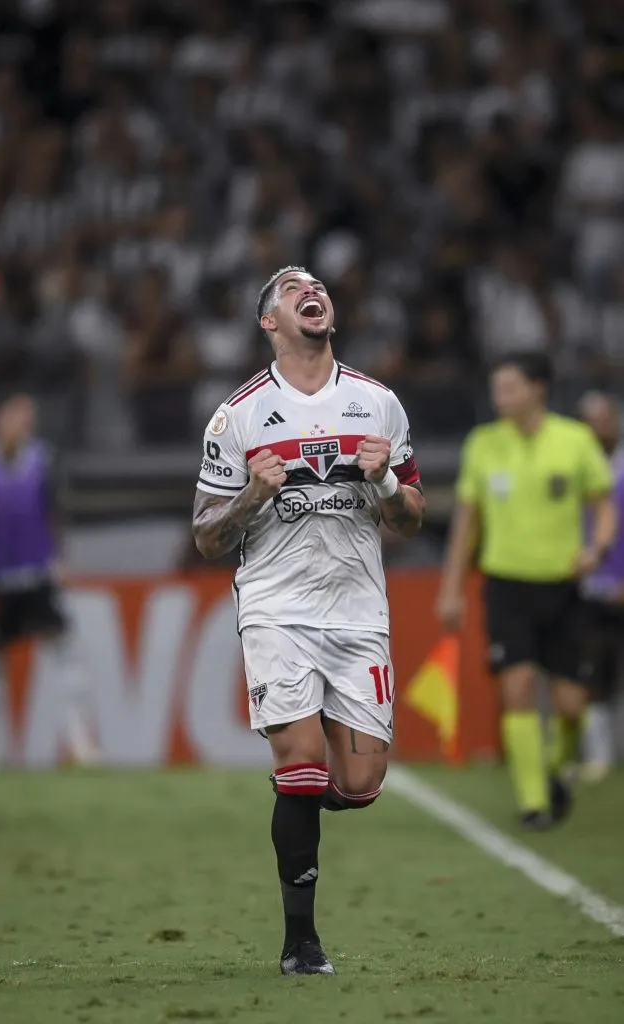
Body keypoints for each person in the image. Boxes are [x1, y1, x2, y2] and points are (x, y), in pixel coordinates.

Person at [192, 267, 425, 976]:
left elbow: (411, 522)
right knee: (299, 763)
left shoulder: (378, 403)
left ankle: (306, 795)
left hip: (357, 610)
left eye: (316, 285)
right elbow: (206, 537)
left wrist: (385, 480)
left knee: (358, 784)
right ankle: (302, 944)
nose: (309, 290)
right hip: (277, 607)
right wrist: (254, 497)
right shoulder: (237, 417)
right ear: (270, 321)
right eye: (292, 289)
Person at [438, 352, 615, 829]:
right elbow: (466, 524)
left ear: (538, 388)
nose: (501, 398)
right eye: (497, 389)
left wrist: (595, 549)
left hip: (563, 587)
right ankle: (534, 802)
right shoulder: (484, 444)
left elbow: (603, 508)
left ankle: (555, 772)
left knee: (572, 706)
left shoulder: (575, 441)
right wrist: (452, 588)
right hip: (506, 586)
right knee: (516, 687)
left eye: (510, 388)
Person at [0, 394, 98, 774]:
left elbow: (54, 510)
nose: (23, 424)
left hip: (36, 573)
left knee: (65, 651)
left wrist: (58, 558)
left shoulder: (41, 460)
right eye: (17, 416)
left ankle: (78, 741)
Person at [578, 392, 624, 781]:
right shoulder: (575, 464)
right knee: (594, 671)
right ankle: (599, 755)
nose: (600, 427)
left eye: (606, 418)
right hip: (592, 586)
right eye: (593, 420)